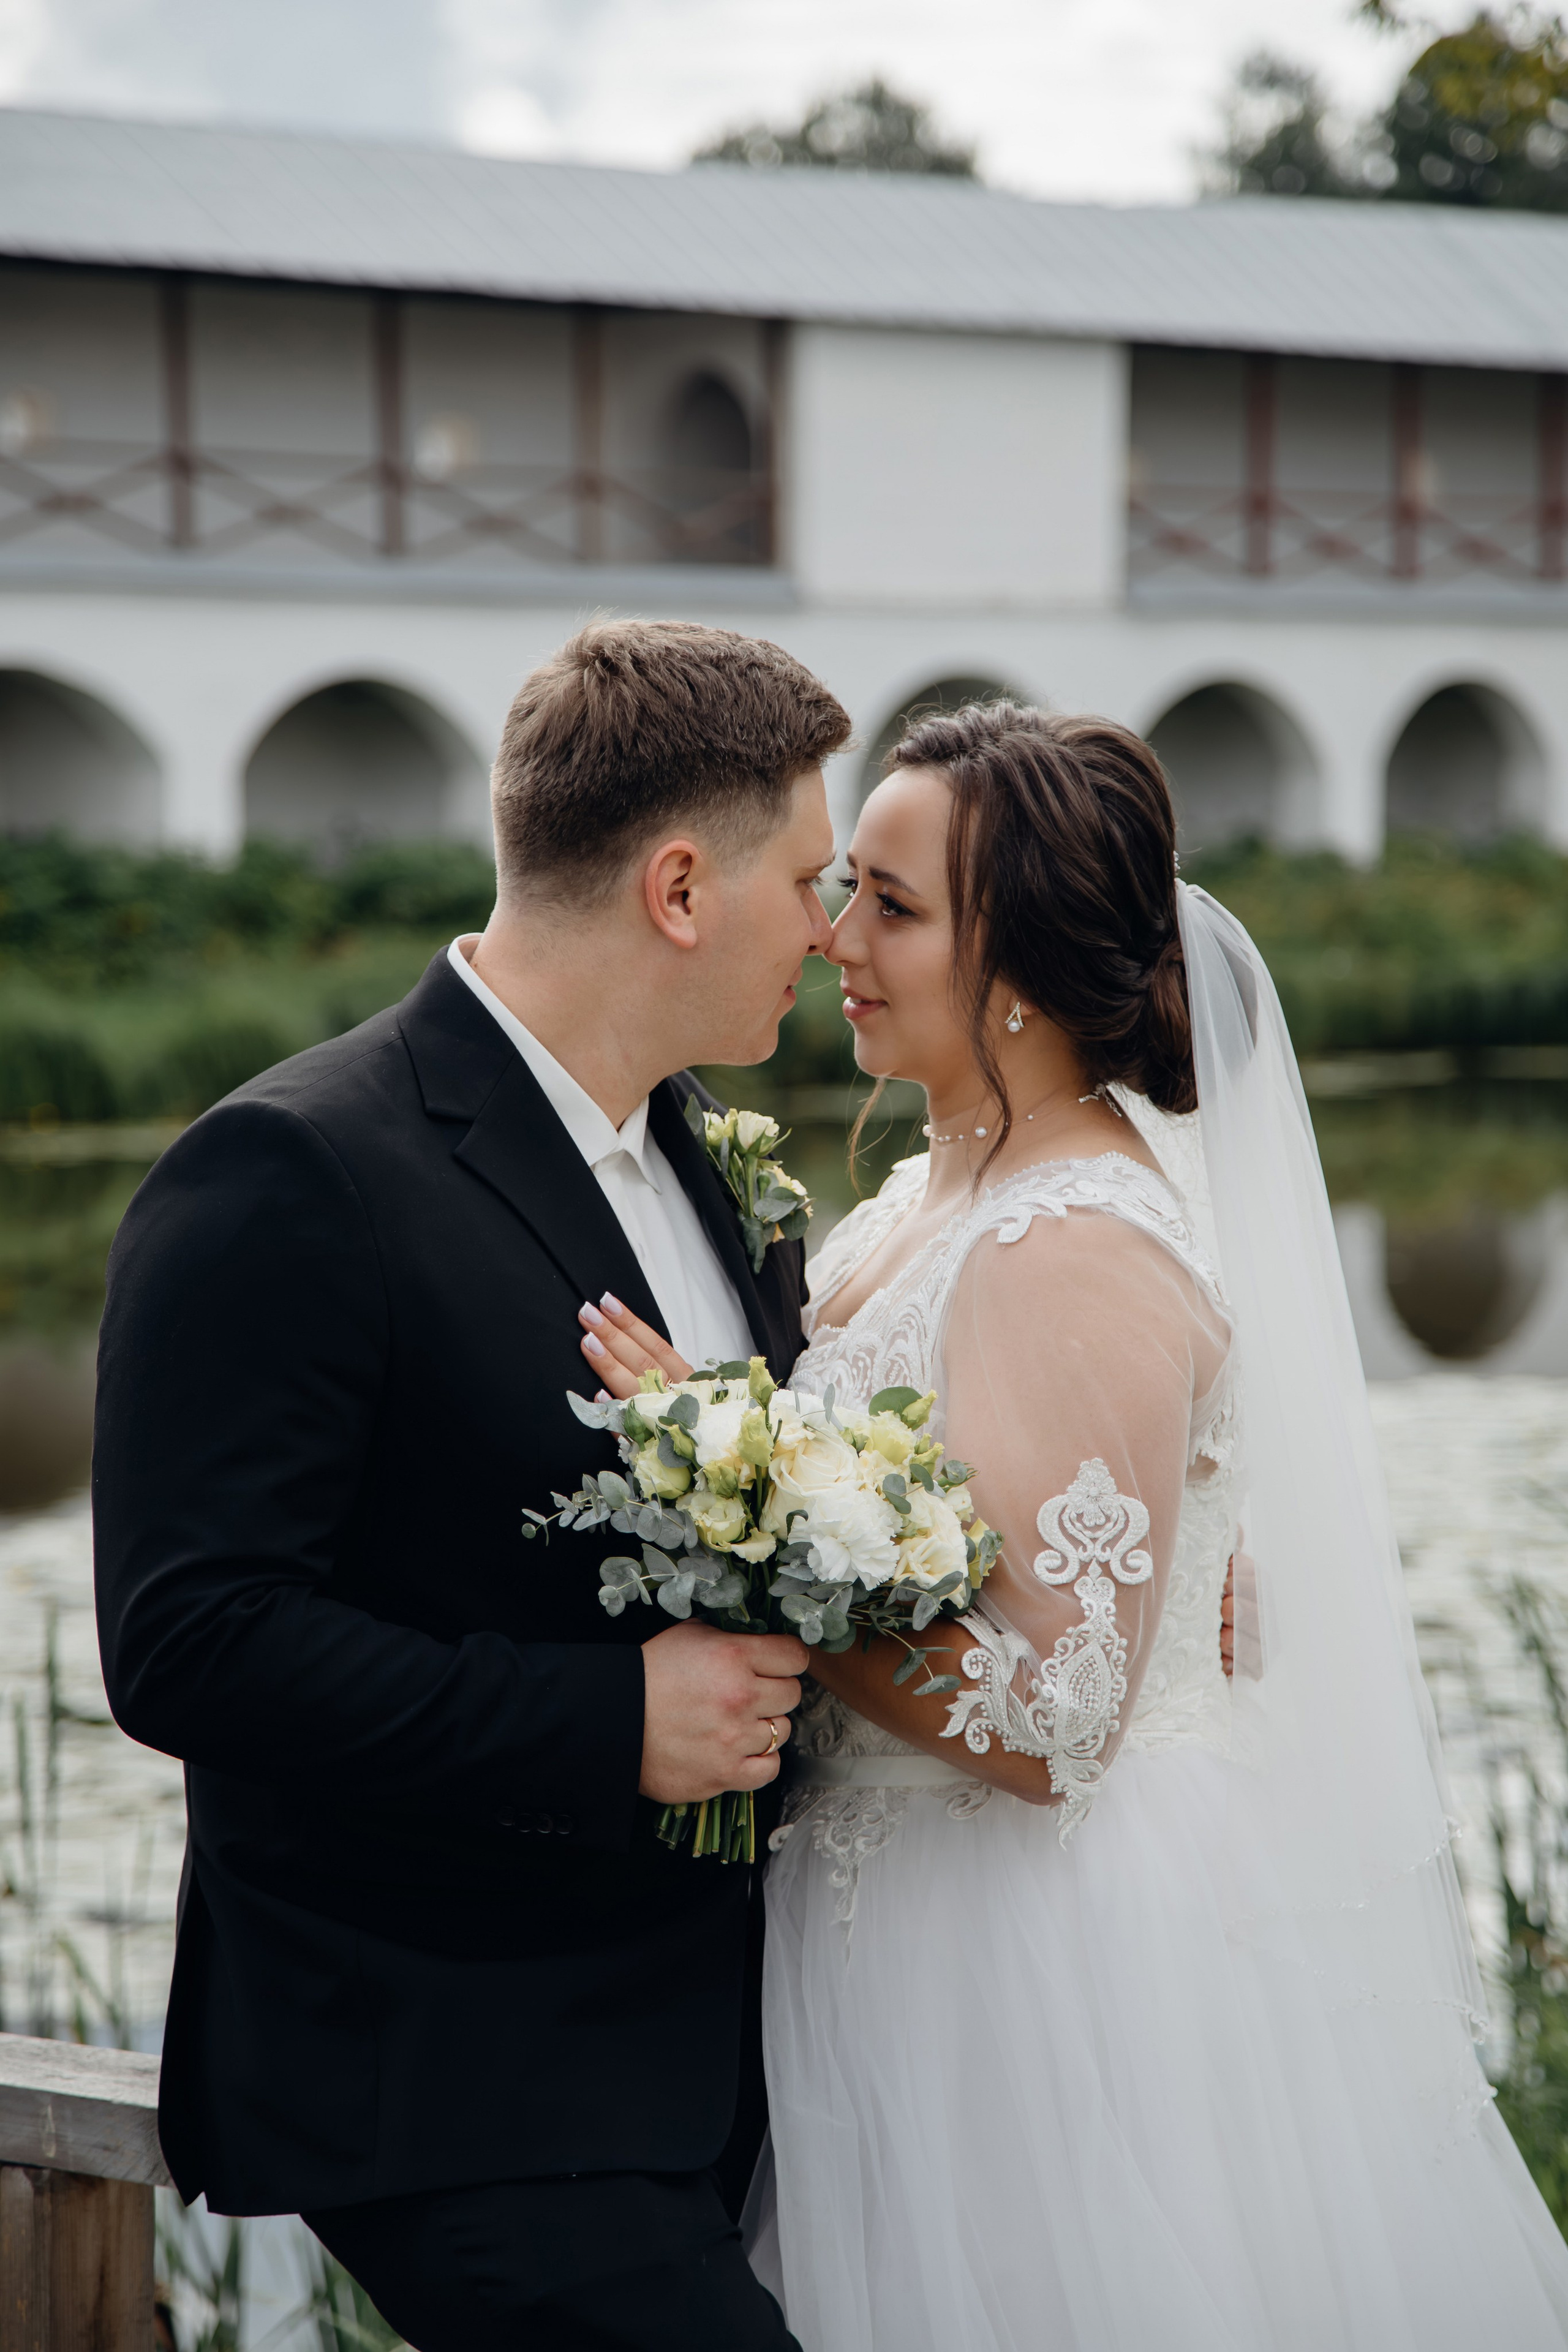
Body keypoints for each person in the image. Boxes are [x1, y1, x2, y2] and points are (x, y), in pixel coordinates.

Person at [583, 702, 1568, 2350]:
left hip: (1032, 1950)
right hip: (889, 1916)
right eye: (851, 892)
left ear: (1020, 960)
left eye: (893, 906)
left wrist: (733, 1510)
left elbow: (1053, 1718)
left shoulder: (1076, 1242)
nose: (836, 935)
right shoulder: (928, 1194)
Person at [91, 619, 850, 2352]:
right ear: (678, 888)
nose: (827, 924)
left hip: (712, 2056)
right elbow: (190, 1641)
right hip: (455, 2076)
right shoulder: (291, 1169)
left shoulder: (702, 1160)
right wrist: (608, 1724)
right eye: (807, 877)